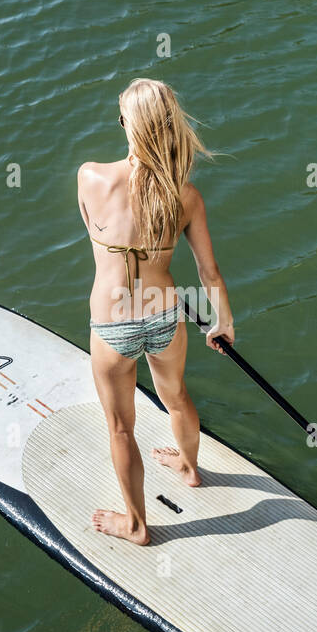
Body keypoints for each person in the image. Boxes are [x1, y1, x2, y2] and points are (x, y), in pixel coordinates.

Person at [77, 78, 235, 544]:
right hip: (164, 314)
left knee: (121, 427)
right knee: (178, 396)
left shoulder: (90, 176)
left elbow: (93, 230)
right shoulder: (185, 196)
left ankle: (139, 525)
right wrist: (223, 322)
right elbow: (209, 272)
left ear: (127, 124)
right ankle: (189, 468)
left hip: (112, 322)